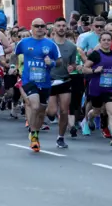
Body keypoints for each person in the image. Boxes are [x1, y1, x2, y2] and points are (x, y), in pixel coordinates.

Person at [16, 18, 61, 153]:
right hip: (29, 80)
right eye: (37, 26)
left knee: (41, 111)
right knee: (34, 106)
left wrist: (51, 63)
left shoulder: (51, 44)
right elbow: (14, 55)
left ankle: (35, 132)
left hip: (45, 82)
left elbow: (59, 61)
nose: (40, 28)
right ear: (32, 27)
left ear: (45, 29)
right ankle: (34, 135)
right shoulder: (24, 43)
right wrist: (13, 66)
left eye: (42, 26)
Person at [49, 17, 77, 149]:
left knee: (64, 111)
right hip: (49, 81)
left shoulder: (71, 46)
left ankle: (60, 137)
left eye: (63, 26)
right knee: (52, 110)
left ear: (66, 28)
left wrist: (72, 67)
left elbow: (73, 64)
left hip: (65, 80)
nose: (61, 28)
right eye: (58, 25)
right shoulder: (47, 44)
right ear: (54, 28)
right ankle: (49, 114)